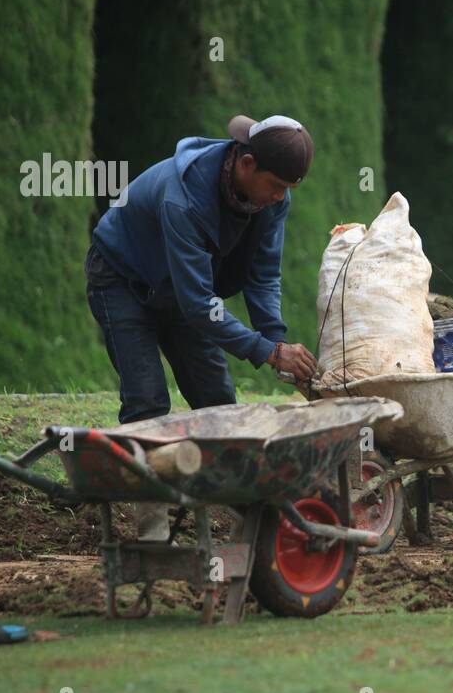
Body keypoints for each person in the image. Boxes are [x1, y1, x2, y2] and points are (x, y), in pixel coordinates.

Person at [86, 114, 318, 539]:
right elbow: (198, 305)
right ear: (247, 164)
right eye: (277, 186)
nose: (280, 197)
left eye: (288, 189)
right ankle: (152, 528)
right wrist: (264, 351)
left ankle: (248, 519)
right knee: (146, 400)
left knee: (217, 401)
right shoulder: (183, 199)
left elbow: (262, 276)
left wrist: (277, 346)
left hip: (183, 291)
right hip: (122, 280)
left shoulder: (270, 200)